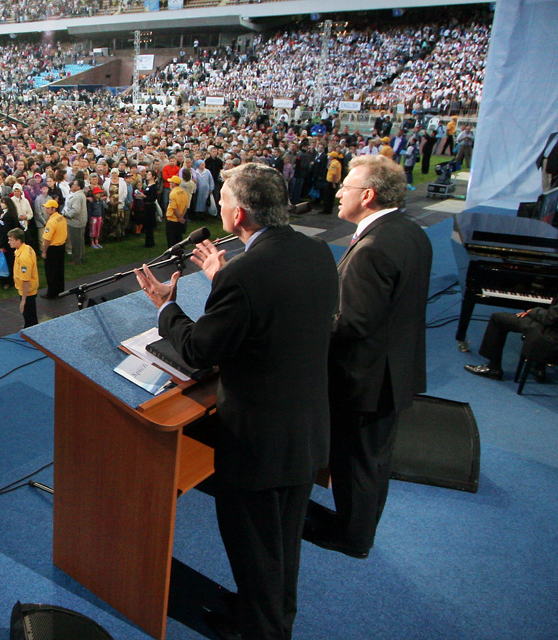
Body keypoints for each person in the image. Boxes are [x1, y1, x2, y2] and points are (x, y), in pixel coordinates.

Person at [135, 162, 339, 640]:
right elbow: (274, 317)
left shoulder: (244, 274)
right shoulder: (315, 251)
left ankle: (264, 630)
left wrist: (166, 305)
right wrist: (225, 278)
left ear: (240, 214)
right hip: (305, 428)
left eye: (224, 200)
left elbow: (198, 349)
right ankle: (271, 613)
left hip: (259, 443)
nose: (220, 206)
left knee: (255, 547)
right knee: (282, 543)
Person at [304, 154, 433, 560]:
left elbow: (351, 325)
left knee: (356, 462)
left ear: (369, 195)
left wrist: (304, 323)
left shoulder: (373, 247)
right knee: (374, 461)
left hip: (367, 378)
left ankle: (353, 537)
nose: (339, 191)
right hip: (396, 369)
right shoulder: (410, 232)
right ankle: (358, 526)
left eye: (348, 187)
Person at [464, 301, 558, 382]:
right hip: (552, 328)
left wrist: (533, 311)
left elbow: (551, 318)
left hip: (549, 333)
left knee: (497, 319)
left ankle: (493, 368)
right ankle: (538, 367)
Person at [8, 227, 38, 328]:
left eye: (11, 240)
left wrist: (23, 300)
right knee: (30, 316)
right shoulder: (26, 248)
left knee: (29, 316)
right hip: (27, 290)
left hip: (27, 291)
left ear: (18, 240)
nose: (9, 242)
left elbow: (26, 280)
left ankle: (31, 332)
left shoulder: (24, 257)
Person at [40, 199, 66, 299]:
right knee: (59, 270)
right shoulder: (61, 218)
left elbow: (47, 239)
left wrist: (44, 251)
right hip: (61, 246)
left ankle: (51, 293)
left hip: (53, 248)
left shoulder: (51, 222)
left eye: (48, 208)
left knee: (51, 272)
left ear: (53, 208)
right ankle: (60, 289)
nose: (46, 210)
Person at [165, 174, 188, 247]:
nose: (170, 183)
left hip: (172, 219)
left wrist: (179, 217)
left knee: (171, 239)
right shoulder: (184, 192)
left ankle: (172, 254)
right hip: (180, 217)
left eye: (171, 182)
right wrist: (182, 217)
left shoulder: (173, 193)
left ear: (174, 183)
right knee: (179, 237)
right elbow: (185, 206)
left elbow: (174, 207)